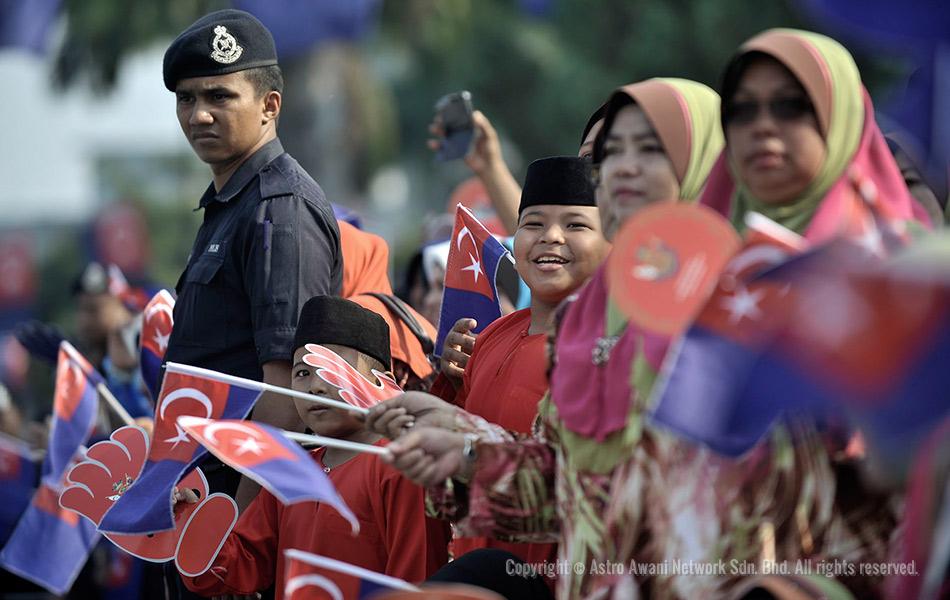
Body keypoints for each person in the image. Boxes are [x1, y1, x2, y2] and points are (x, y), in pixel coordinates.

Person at [368, 77, 724, 600]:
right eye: (604, 156)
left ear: (704, 164)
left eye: (650, 150)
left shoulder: (733, 304)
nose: (619, 170)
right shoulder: (587, 325)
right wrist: (462, 446)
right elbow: (563, 480)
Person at [160, 9, 342, 503]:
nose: (198, 115)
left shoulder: (279, 210)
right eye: (187, 98)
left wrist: (236, 536)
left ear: (270, 105)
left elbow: (287, 402)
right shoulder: (232, 204)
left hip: (237, 509)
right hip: (199, 496)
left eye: (220, 96)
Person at [179, 296, 449, 598]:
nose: (316, 387)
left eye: (331, 370)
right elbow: (238, 566)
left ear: (381, 383)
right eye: (302, 373)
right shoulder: (291, 471)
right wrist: (185, 519)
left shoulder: (402, 468)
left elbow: (416, 582)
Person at [427, 156, 609, 582]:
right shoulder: (492, 335)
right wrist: (453, 382)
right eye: (532, 224)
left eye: (576, 225)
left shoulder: (606, 349)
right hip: (480, 568)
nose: (551, 237)